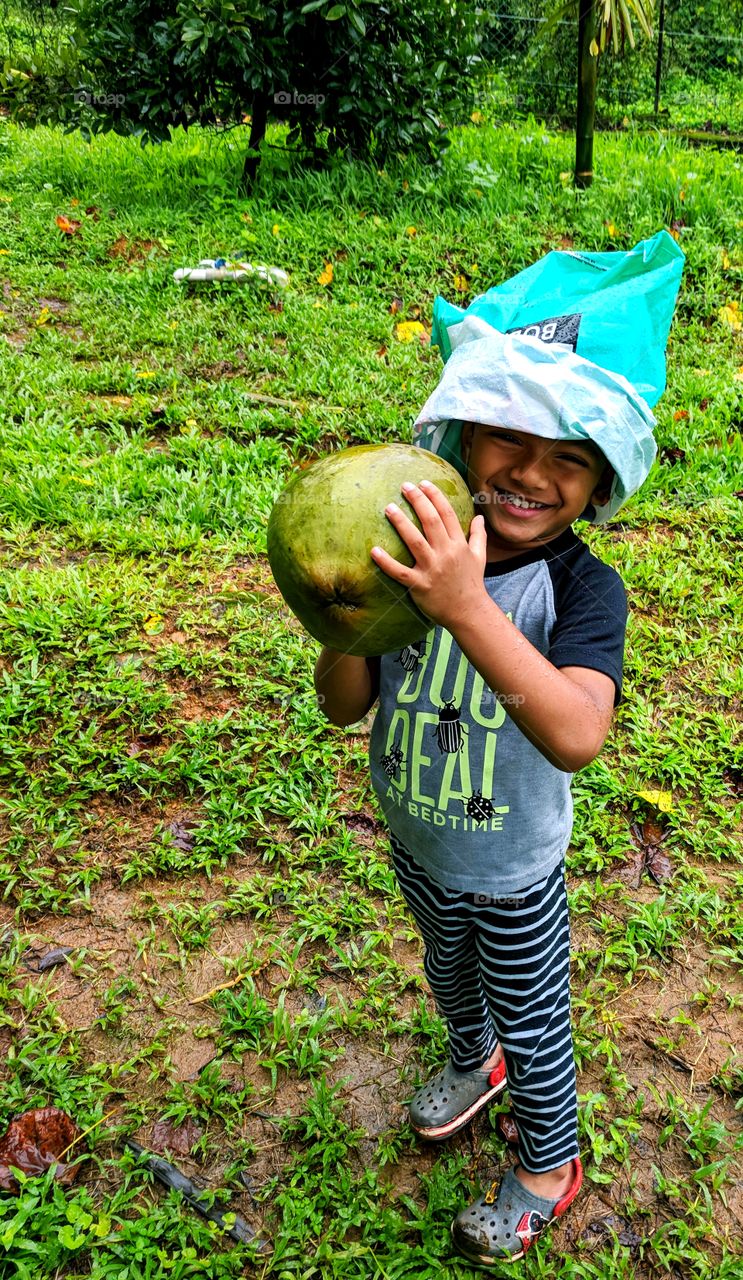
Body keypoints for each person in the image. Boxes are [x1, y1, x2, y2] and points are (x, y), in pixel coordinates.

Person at [313, 328, 659, 1264]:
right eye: (507, 435)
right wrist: (347, 605)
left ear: (600, 485)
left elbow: (576, 733)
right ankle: (474, 1061)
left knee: (536, 1018)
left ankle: (551, 1165)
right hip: (418, 835)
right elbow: (342, 705)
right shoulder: (412, 554)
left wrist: (465, 607)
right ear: (461, 436)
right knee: (448, 975)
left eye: (569, 460)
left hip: (512, 868)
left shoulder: (582, 589)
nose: (530, 473)